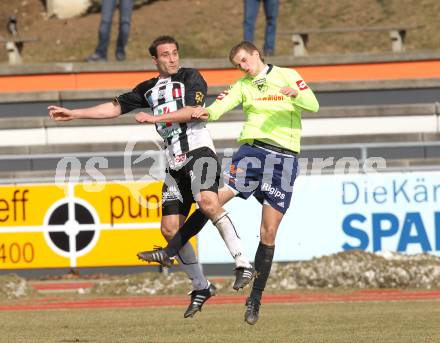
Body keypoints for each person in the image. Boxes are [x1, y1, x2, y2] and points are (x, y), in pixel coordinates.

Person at [48, 36, 255, 318]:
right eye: (166, 55)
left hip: (199, 151)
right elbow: (114, 107)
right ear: (155, 61)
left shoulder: (191, 77)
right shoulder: (148, 89)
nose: (172, 59)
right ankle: (201, 286)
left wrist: (154, 119)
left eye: (175, 53)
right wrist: (74, 113)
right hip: (174, 162)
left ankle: (243, 262)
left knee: (208, 202)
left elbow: (193, 112)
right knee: (169, 229)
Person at [137, 41, 319, 325]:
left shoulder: (287, 75)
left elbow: (313, 104)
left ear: (256, 54)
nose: (243, 68)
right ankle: (170, 251)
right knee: (210, 201)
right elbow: (218, 108)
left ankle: (254, 300)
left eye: (245, 61)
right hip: (251, 154)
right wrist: (200, 112)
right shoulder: (242, 85)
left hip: (283, 159)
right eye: (238, 65)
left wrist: (295, 94)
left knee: (268, 232)